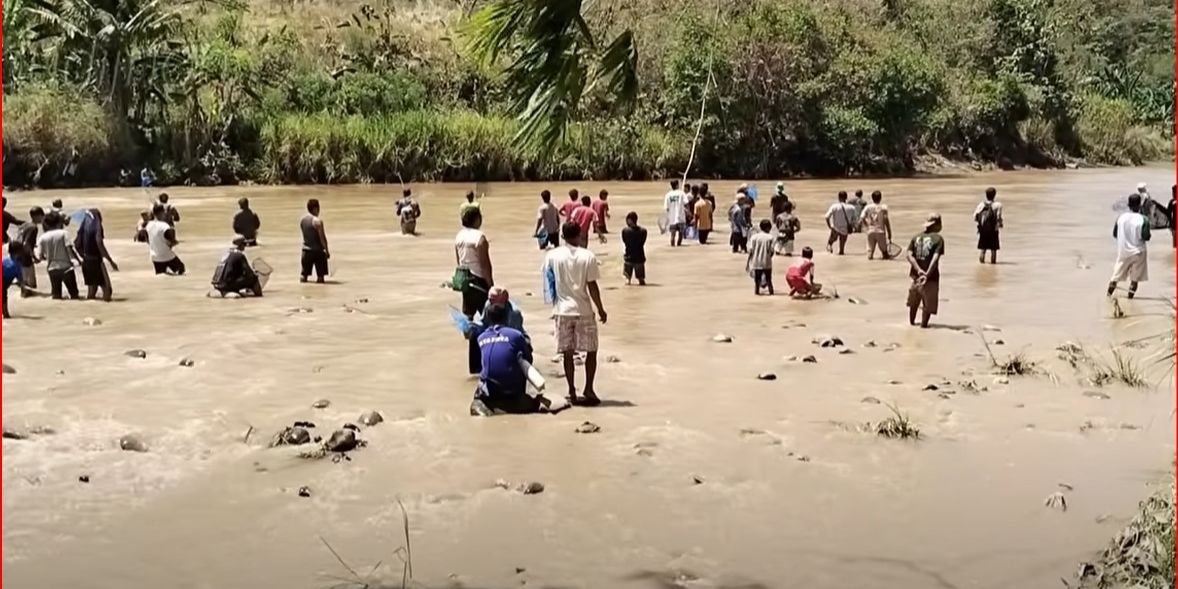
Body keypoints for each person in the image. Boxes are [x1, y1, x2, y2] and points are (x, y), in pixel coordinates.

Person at [543, 222, 608, 406]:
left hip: (562, 311)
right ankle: (588, 388)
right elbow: (592, 286)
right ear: (579, 234)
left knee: (568, 353)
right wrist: (601, 309)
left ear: (562, 236)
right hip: (584, 310)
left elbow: (549, 282)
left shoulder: (552, 255)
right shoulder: (587, 256)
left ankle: (571, 389)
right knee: (591, 350)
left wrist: (554, 305)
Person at [469, 301, 552, 416]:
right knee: (520, 360)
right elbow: (528, 358)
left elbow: (479, 365)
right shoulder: (516, 335)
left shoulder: (481, 338)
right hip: (513, 391)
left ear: (487, 318)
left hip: (490, 393)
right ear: (507, 318)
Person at [466, 285, 526, 375]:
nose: (490, 302)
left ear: (503, 300)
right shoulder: (489, 304)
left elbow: (515, 335)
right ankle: (477, 370)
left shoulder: (514, 313)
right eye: (489, 299)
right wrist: (470, 328)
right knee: (474, 334)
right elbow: (482, 322)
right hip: (493, 331)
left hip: (510, 335)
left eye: (492, 300)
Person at [1107, 193, 1150, 299]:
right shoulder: (1144, 219)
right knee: (1134, 279)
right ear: (1139, 205)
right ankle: (1130, 299)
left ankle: (1108, 296)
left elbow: (1115, 234)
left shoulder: (1121, 218)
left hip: (1123, 252)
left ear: (1129, 205)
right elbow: (1146, 237)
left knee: (1115, 276)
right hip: (1139, 252)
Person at [906, 214, 946, 328]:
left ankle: (911, 325)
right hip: (931, 278)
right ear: (936, 225)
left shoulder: (916, 237)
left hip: (915, 277)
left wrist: (919, 270)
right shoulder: (938, 239)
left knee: (913, 304)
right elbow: (935, 258)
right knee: (927, 306)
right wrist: (927, 274)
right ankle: (923, 327)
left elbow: (909, 256)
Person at [454, 206, 494, 319]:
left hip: (465, 279)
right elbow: (484, 264)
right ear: (477, 219)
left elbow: (459, 261)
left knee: (468, 315)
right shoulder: (480, 238)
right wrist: (490, 284)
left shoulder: (459, 236)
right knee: (487, 315)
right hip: (479, 280)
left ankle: (468, 335)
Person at [75, 209, 118, 301]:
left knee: (91, 292)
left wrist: (84, 256)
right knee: (107, 291)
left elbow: (76, 244)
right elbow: (99, 242)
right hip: (96, 261)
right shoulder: (97, 227)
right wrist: (110, 261)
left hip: (86, 261)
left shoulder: (83, 228)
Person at [38, 212, 82, 300]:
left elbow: (40, 256)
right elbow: (70, 249)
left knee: (56, 296)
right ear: (59, 222)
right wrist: (78, 260)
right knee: (74, 295)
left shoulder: (42, 237)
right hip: (66, 268)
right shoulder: (64, 233)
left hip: (52, 269)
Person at [146, 204, 185, 275]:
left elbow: (147, 240)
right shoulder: (165, 226)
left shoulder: (148, 225)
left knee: (161, 275)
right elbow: (172, 241)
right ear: (162, 212)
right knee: (181, 270)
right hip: (167, 255)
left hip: (154, 257)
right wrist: (175, 243)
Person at [300, 199, 330, 283]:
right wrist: (327, 251)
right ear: (315, 208)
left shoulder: (303, 221)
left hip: (306, 251)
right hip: (318, 252)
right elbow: (322, 238)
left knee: (303, 277)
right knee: (320, 278)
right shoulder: (318, 221)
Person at [16, 207, 44, 295]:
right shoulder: (33, 227)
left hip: (18, 254)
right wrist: (34, 257)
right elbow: (26, 244)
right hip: (25, 255)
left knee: (24, 278)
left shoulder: (25, 224)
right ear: (37, 216)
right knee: (29, 282)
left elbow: (20, 238)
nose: (43, 218)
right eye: (41, 216)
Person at [860, 190, 893, 260]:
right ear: (880, 198)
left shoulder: (867, 207)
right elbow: (886, 220)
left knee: (870, 253)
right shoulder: (883, 207)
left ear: (872, 198)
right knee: (885, 253)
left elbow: (862, 218)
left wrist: (867, 226)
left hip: (870, 231)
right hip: (880, 231)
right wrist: (889, 232)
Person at [973, 187, 1003, 264]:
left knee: (983, 249)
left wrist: (983, 224)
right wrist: (1000, 224)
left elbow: (975, 217)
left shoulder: (981, 204)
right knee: (993, 250)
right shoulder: (998, 205)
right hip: (993, 230)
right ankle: (993, 265)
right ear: (994, 195)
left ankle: (981, 265)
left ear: (986, 195)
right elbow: (999, 217)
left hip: (983, 231)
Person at [746, 219, 776, 295]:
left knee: (757, 281)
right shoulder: (770, 237)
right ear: (768, 228)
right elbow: (772, 251)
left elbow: (750, 251)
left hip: (756, 262)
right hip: (767, 262)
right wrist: (768, 258)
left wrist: (748, 263)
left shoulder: (754, 237)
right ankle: (771, 293)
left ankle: (757, 293)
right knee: (769, 280)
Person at [621, 212, 647, 285]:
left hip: (629, 257)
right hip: (640, 258)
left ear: (630, 220)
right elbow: (643, 242)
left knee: (627, 280)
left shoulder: (625, 231)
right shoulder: (643, 231)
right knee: (641, 280)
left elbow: (624, 241)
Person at [664, 180, 688, 246]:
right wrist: (688, 212)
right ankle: (679, 246)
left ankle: (672, 248)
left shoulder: (668, 195)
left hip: (672, 219)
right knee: (680, 235)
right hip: (681, 218)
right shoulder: (682, 193)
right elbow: (686, 204)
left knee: (672, 236)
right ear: (677, 185)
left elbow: (667, 208)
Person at [3, 243, 24, 318]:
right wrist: (22, 285)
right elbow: (20, 278)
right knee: (4, 298)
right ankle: (6, 314)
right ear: (18, 252)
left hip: (4, 279)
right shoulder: (17, 264)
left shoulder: (4, 260)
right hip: (3, 281)